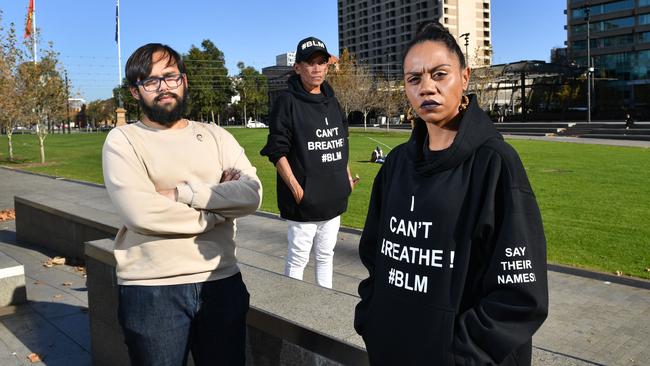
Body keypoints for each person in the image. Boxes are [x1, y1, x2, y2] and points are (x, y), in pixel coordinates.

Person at [354, 22, 548, 366]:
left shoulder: (496, 165)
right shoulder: (396, 165)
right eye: (414, 79)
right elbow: (374, 253)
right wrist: (373, 319)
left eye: (439, 74)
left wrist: (457, 354)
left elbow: (520, 296)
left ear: (465, 78)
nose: (427, 87)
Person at [102, 43, 262, 366]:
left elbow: (252, 193)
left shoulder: (216, 135)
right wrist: (219, 209)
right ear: (135, 92)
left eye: (170, 77)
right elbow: (141, 213)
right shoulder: (123, 141)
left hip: (221, 281)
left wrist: (182, 195)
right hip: (152, 290)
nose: (163, 87)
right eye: (150, 81)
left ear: (184, 81)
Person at [260, 36, 358, 289]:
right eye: (309, 63)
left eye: (321, 62)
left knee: (326, 257)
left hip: (333, 197)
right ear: (298, 67)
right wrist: (297, 190)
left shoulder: (333, 101)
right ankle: (292, 319)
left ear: (327, 66)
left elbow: (340, 140)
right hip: (304, 201)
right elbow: (276, 151)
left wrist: (345, 178)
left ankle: (322, 310)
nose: (316, 68)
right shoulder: (287, 102)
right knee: (298, 258)